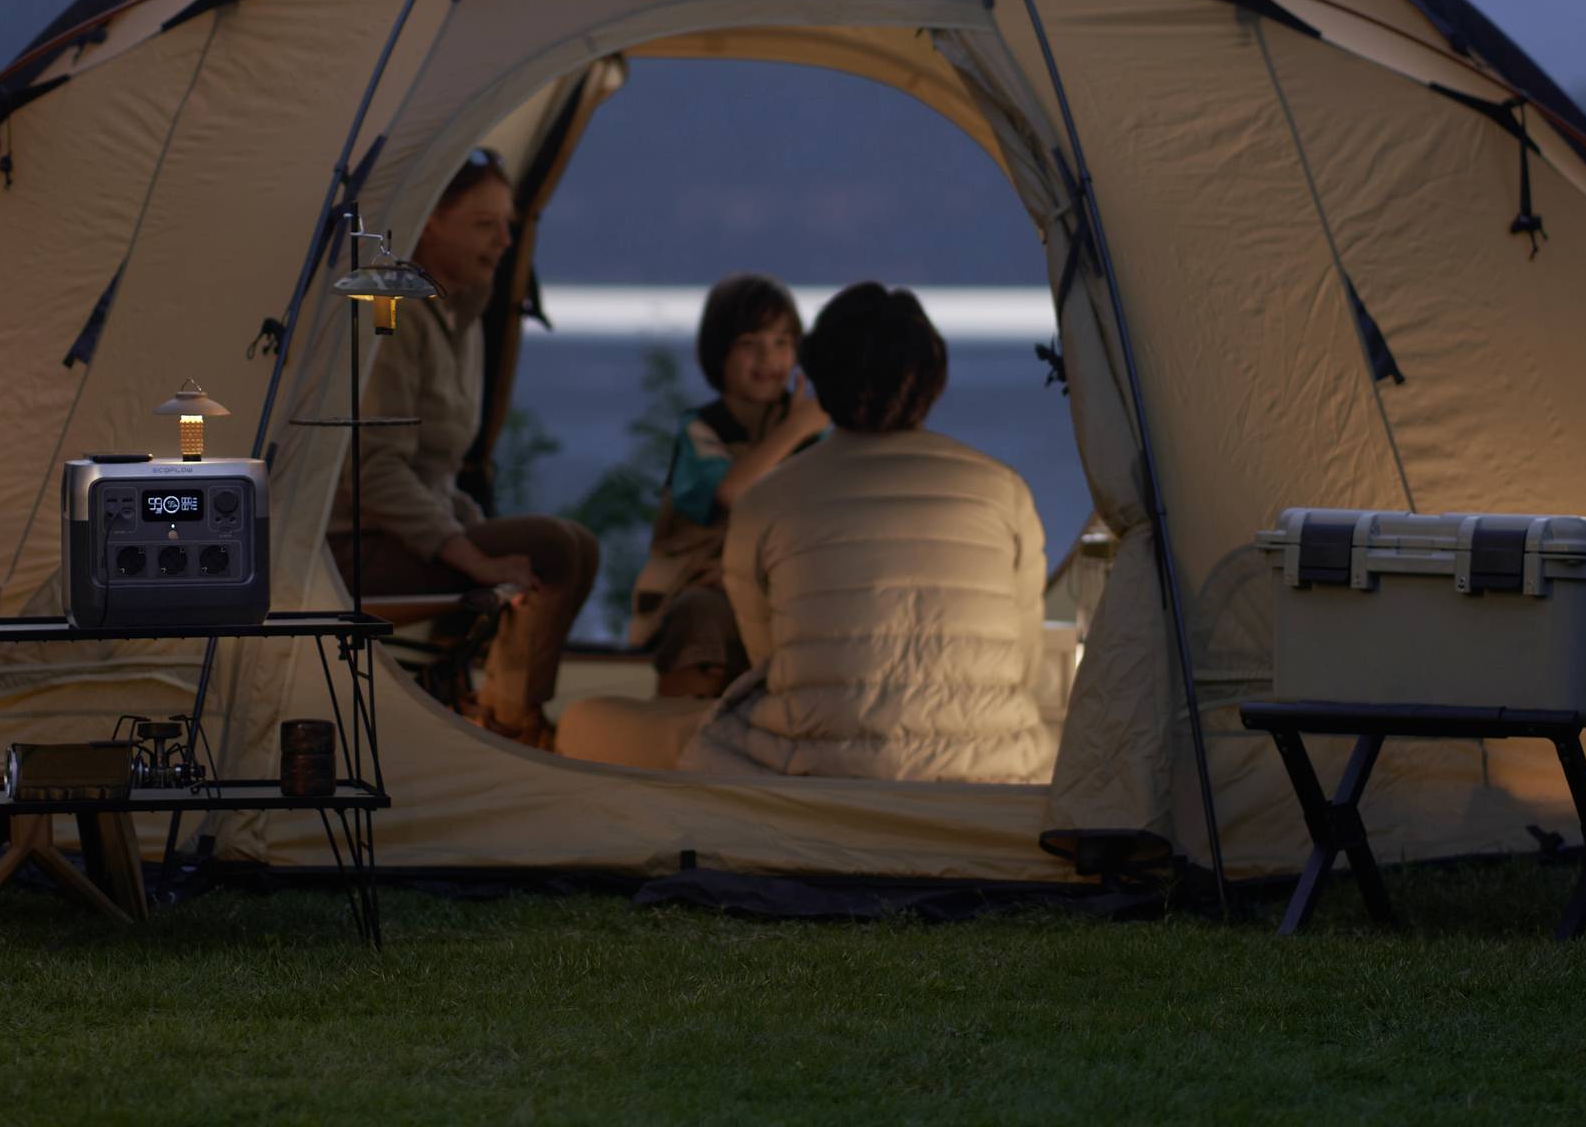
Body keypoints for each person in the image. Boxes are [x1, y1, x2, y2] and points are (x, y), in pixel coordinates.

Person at [679, 282, 1054, 783]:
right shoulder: (1005, 490)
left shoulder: (765, 501)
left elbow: (767, 656)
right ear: (933, 380)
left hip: (818, 767)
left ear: (815, 376)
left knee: (702, 747)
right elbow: (1023, 658)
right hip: (995, 770)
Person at [327, 151, 598, 748]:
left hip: (410, 534)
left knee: (574, 543)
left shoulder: (462, 316)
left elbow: (436, 473)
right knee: (554, 549)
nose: (504, 240)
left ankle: (490, 708)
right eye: (484, 224)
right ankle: (509, 725)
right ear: (429, 221)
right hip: (354, 547)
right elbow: (372, 472)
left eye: (507, 224)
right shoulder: (388, 315)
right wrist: (471, 555)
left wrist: (471, 528)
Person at [627, 273, 829, 698]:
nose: (768, 357)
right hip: (702, 580)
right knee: (698, 616)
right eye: (749, 343)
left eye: (782, 343)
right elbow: (731, 492)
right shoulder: (703, 428)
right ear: (719, 352)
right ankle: (675, 735)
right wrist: (795, 428)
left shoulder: (809, 428)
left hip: (781, 579)